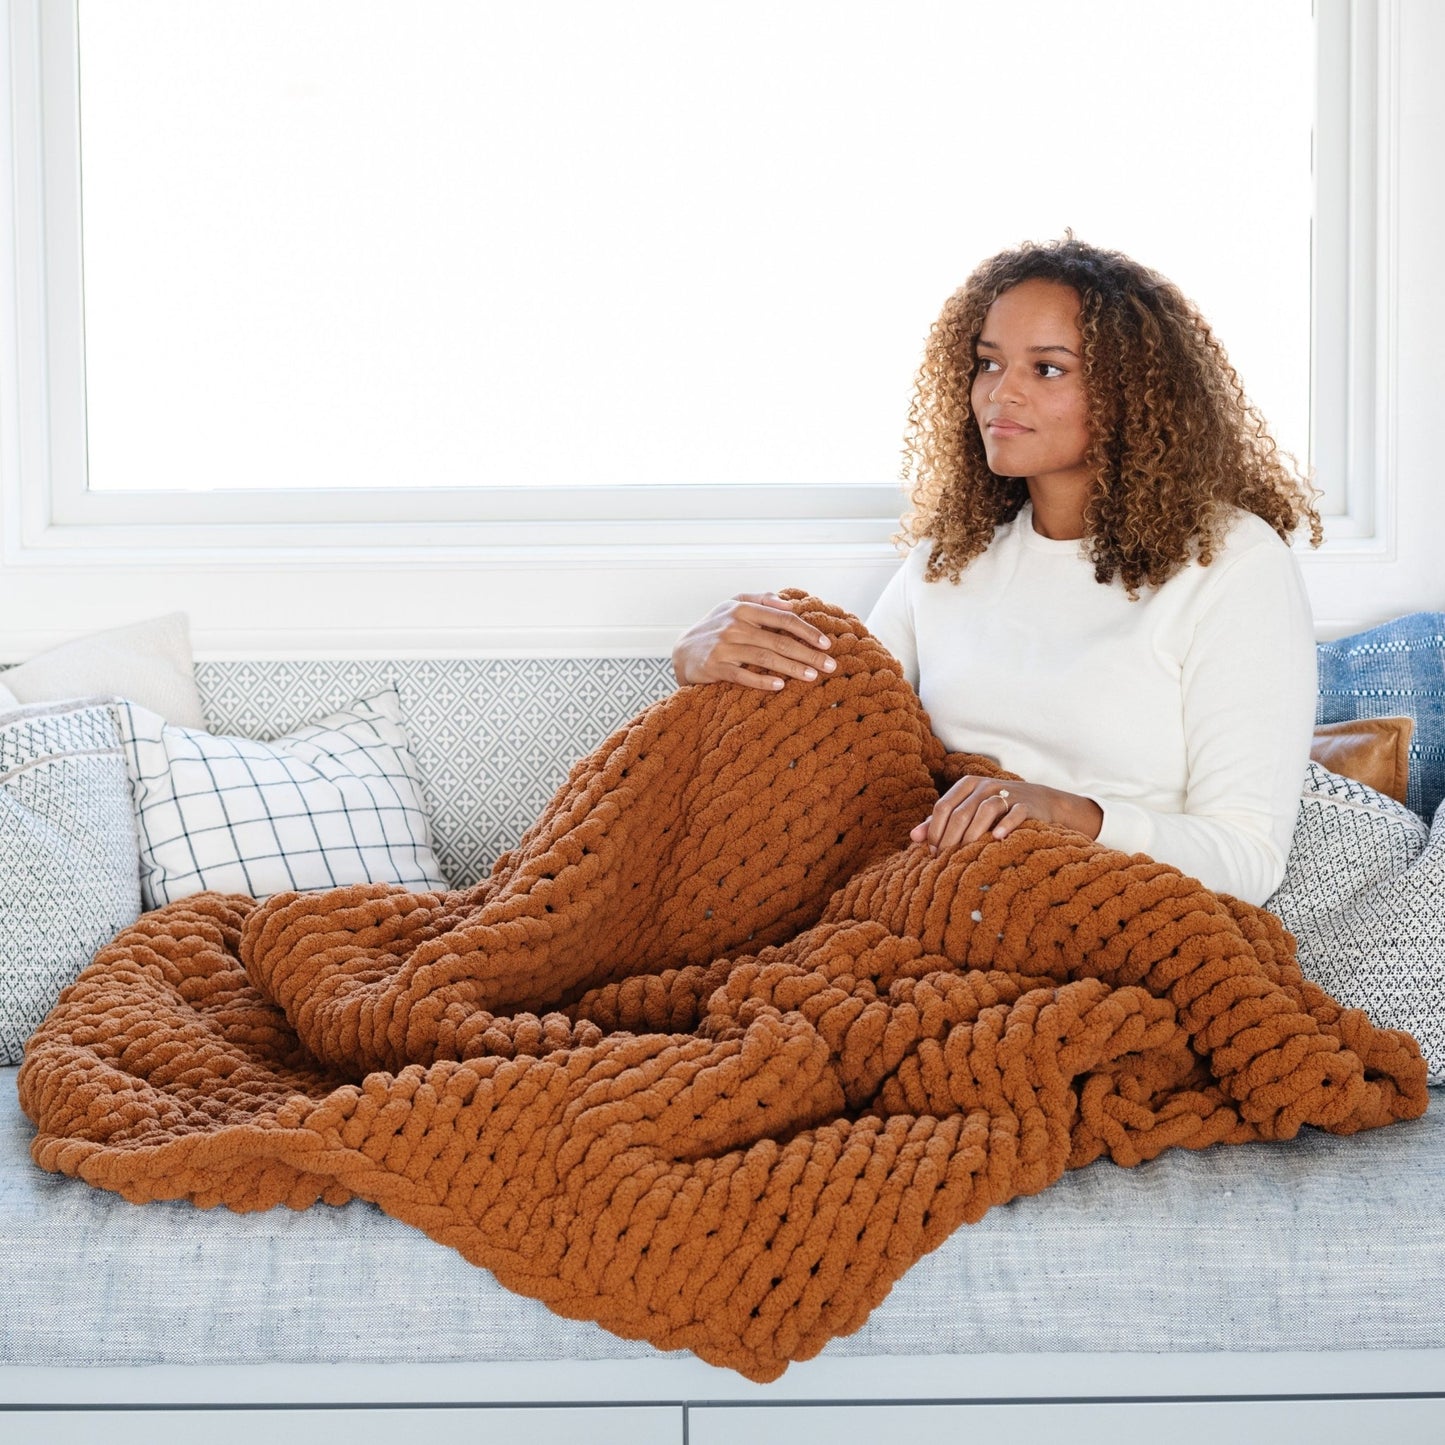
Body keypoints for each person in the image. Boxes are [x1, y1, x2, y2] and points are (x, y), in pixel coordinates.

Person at [671, 237, 1321, 907]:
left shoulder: (1232, 564)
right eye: (988, 362)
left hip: (1104, 916)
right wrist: (704, 665)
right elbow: (837, 725)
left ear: (1132, 393)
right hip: (927, 899)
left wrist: (1064, 813)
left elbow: (1248, 858)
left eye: (1046, 369)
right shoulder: (953, 556)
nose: (999, 393)